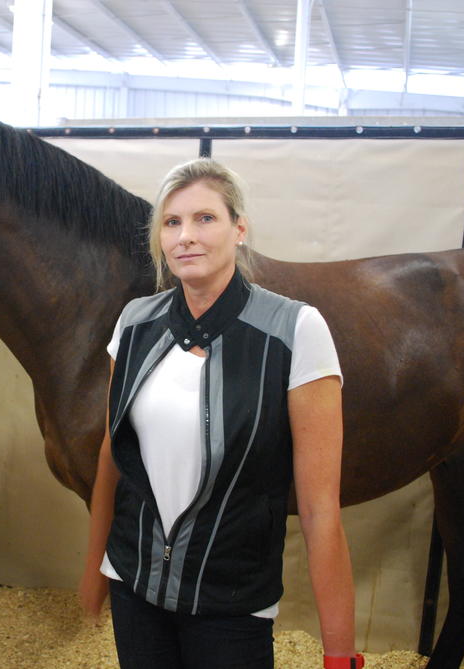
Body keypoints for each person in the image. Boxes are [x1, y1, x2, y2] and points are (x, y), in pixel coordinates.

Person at [79, 158, 363, 669]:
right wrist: (94, 569)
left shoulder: (296, 330)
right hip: (131, 584)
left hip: (232, 604)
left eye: (205, 218)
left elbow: (321, 510)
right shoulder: (135, 322)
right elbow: (111, 455)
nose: (186, 235)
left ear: (239, 229)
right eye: (172, 222)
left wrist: (340, 654)